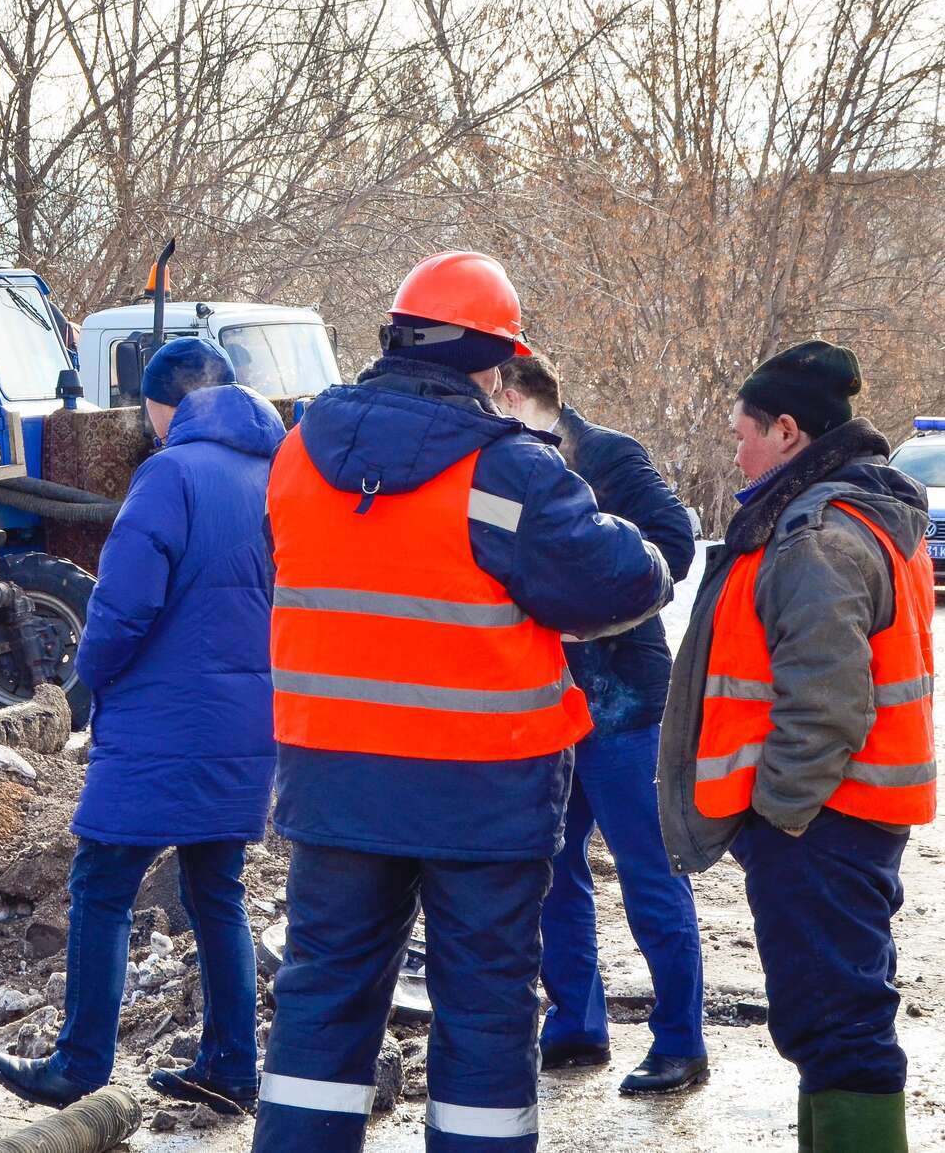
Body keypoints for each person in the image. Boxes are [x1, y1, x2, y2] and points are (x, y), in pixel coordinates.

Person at [256, 252, 671, 1153]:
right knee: (483, 1005)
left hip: (334, 783)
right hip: (481, 792)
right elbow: (622, 579)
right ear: (491, 362)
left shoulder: (298, 453)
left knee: (322, 999)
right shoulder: (505, 471)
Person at [0, 337, 281, 1114]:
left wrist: (94, 675)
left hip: (162, 721)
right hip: (247, 720)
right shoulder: (274, 476)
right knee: (217, 888)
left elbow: (122, 608)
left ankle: (79, 1064)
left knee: (103, 882)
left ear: (163, 404)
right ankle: (232, 1066)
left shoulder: (170, 474)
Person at [658, 340, 933, 1150]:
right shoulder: (852, 514)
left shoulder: (816, 533)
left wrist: (778, 814)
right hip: (845, 818)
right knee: (828, 1021)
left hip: (822, 824)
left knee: (842, 1029)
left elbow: (827, 705)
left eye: (744, 431)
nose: (736, 449)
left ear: (786, 431)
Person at [493, 355, 707, 1093]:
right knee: (554, 872)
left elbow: (675, 544)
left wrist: (604, 614)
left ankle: (681, 1040)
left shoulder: (609, 453)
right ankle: (576, 1026)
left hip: (625, 705)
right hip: (549, 705)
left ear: (515, 395)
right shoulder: (506, 467)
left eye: (491, 397)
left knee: (650, 872)